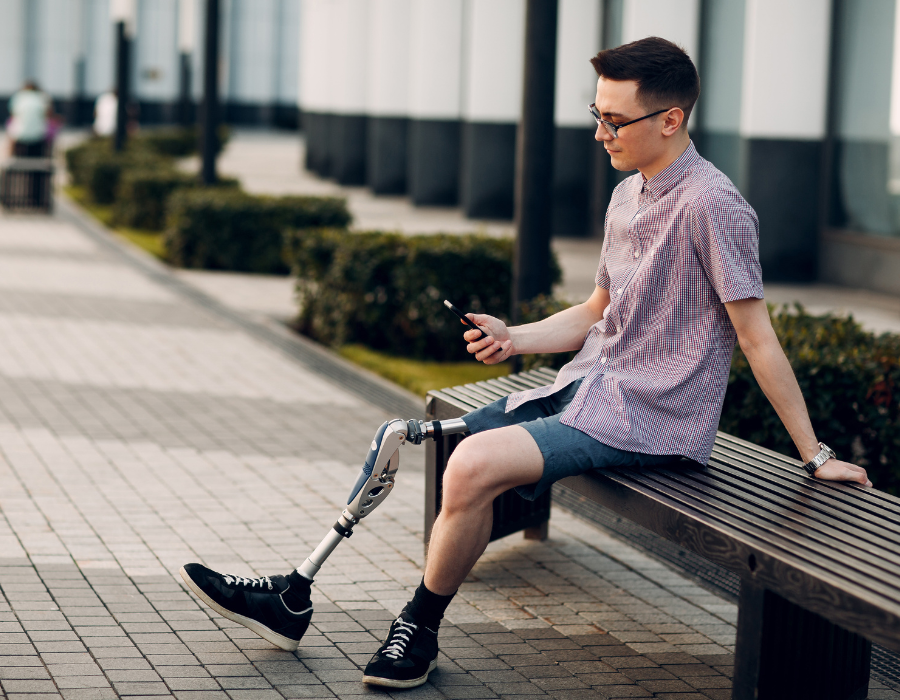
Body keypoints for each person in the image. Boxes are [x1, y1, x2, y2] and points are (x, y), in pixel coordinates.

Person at [179, 37, 872, 690]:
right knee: (408, 436)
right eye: (595, 115)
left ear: (671, 120)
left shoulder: (715, 206)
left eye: (613, 120)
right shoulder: (627, 193)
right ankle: (293, 592)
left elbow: (757, 337)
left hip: (653, 416)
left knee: (472, 466)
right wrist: (515, 338)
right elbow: (599, 309)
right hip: (592, 389)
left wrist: (815, 456)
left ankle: (417, 628)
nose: (600, 134)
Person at [6, 80, 52, 157]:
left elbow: (13, 114)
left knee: (10, 130)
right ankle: (48, 157)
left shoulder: (18, 97)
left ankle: (9, 158)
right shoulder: (43, 97)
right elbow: (48, 115)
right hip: (39, 134)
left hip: (20, 134)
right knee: (51, 130)